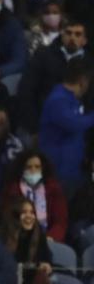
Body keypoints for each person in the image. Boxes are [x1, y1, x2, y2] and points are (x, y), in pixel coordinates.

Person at [39, 58, 94, 194]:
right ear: (83, 80)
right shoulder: (58, 100)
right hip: (59, 172)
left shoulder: (71, 99)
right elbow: (74, 124)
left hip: (74, 170)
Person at [0, 151, 69, 242]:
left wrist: (50, 238)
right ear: (21, 169)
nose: (33, 171)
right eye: (29, 167)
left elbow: (60, 222)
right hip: (20, 240)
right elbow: (8, 221)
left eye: (37, 167)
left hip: (49, 239)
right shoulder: (12, 191)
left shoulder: (53, 189)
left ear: (43, 169)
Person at [0, 197, 54, 284]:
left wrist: (45, 264)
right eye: (24, 212)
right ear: (15, 215)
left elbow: (46, 258)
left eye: (32, 212)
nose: (29, 216)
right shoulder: (2, 235)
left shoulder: (38, 233)